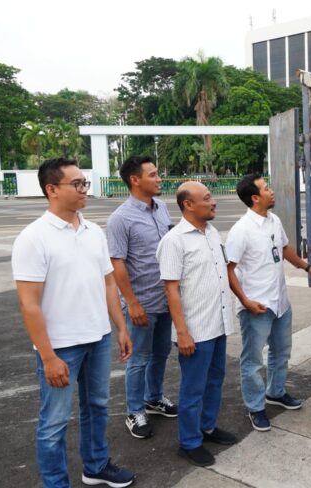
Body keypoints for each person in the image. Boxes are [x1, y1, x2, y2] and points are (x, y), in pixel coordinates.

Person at [11, 158, 135, 488]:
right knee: (54, 421)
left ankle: (95, 465)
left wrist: (120, 327)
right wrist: (48, 356)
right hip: (60, 346)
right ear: (52, 190)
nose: (84, 190)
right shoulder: (33, 238)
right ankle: (56, 483)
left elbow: (108, 283)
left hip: (98, 337)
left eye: (85, 183)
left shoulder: (94, 231)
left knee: (97, 407)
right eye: (77, 184)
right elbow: (29, 303)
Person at [226, 174, 311, 432]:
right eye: (267, 188)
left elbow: (285, 248)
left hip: (280, 302)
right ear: (255, 198)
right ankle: (255, 407)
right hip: (256, 306)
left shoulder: (274, 220)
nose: (272, 191)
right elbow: (229, 269)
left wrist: (306, 266)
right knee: (253, 361)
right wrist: (245, 301)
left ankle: (275, 392)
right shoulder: (241, 230)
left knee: (281, 352)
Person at [157, 181, 237, 467]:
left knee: (215, 381)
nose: (213, 201)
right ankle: (189, 442)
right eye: (207, 198)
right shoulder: (174, 241)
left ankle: (207, 427)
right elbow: (171, 290)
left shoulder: (212, 232)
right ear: (188, 204)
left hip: (218, 324)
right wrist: (182, 332)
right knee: (193, 388)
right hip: (195, 330)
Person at [107, 156, 177, 440]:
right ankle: (134, 410)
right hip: (142, 303)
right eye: (154, 174)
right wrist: (132, 302)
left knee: (161, 353)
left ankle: (154, 397)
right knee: (138, 359)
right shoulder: (120, 219)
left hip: (166, 299)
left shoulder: (161, 208)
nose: (159, 178)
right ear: (135, 180)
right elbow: (117, 263)